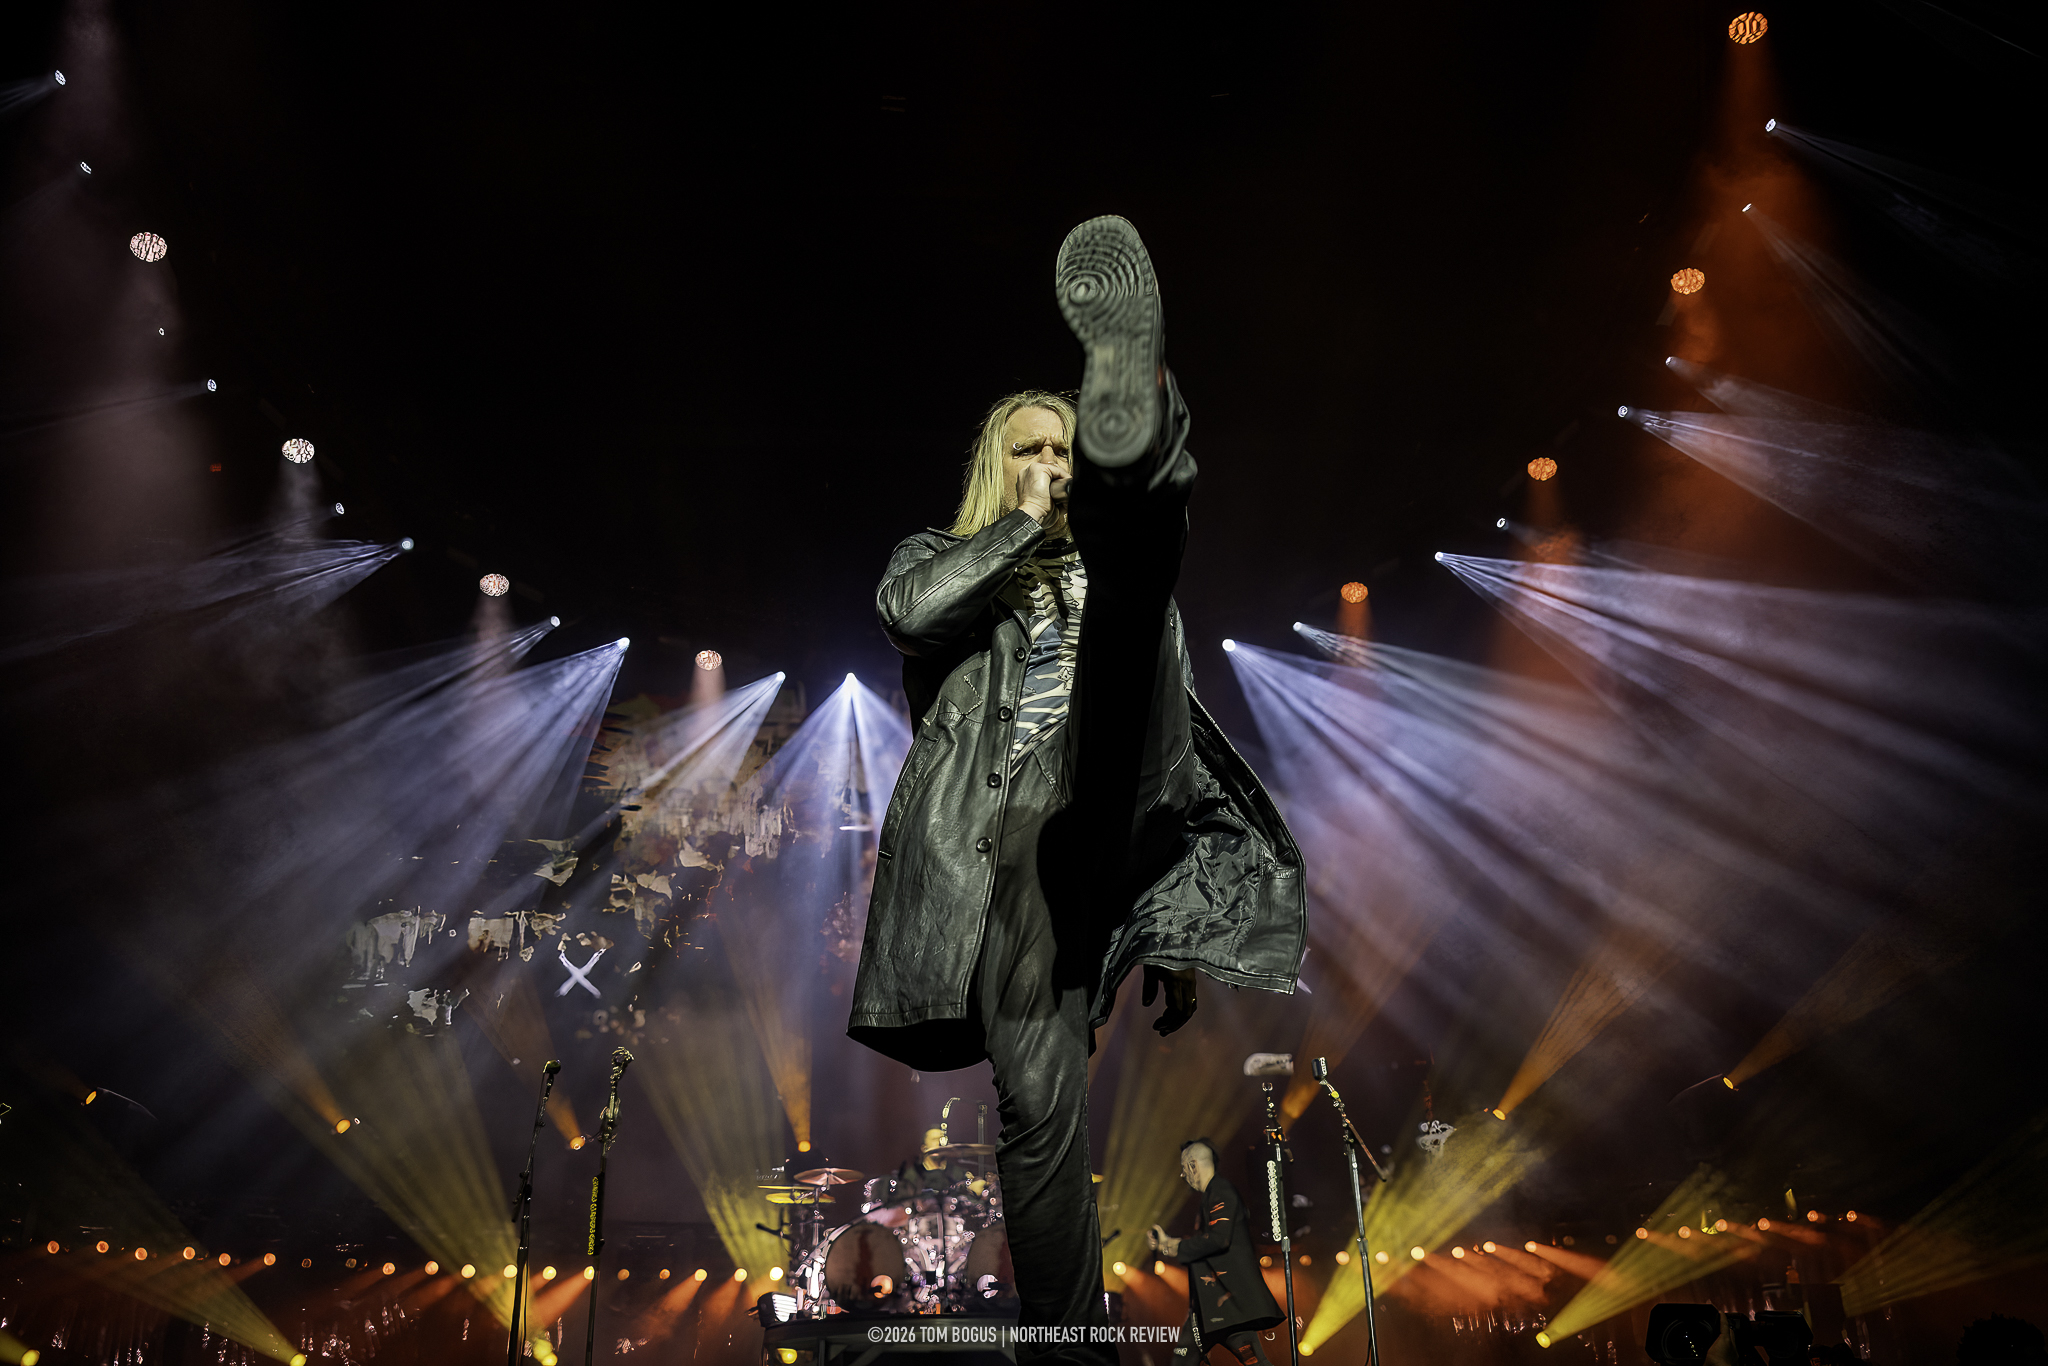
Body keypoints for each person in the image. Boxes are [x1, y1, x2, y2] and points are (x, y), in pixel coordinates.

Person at [847, 213, 1307, 1363]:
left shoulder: (1097, 580)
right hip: (1008, 856)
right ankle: (1067, 1348)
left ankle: (1140, 462)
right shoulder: (937, 559)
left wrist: (1176, 929)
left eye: (1066, 452)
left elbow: (1174, 748)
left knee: (1136, 619)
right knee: (1039, 1109)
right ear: (996, 468)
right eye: (1034, 451)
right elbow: (907, 614)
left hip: (1109, 816)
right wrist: (1022, 523)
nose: (1048, 466)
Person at [1150, 1138, 1283, 1366]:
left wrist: (1173, 1246)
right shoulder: (1212, 1196)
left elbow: (1219, 1239)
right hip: (1218, 1309)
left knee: (1183, 1359)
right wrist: (1167, 1245)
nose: (1182, 1175)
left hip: (1225, 1308)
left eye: (1184, 1168)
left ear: (1193, 1166)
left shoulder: (1221, 1192)